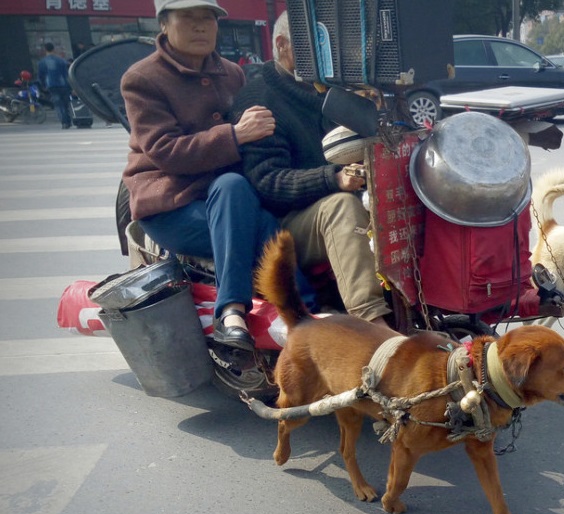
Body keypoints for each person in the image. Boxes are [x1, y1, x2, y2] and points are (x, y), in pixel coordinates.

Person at [121, 0, 282, 351]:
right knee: (252, 215)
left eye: (207, 18)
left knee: (272, 225)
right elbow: (165, 151)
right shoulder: (142, 79)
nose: (200, 27)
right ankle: (232, 311)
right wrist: (235, 135)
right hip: (171, 205)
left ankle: (313, 315)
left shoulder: (233, 73)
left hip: (229, 200)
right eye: (188, 18)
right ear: (164, 24)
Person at [231, 11, 392, 327]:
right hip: (289, 221)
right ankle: (373, 322)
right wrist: (333, 178)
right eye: (316, 46)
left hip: (337, 200)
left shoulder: (331, 89)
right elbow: (268, 181)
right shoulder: (260, 97)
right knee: (341, 207)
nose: (327, 55)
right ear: (283, 46)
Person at [36, 42, 72, 129]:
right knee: (65, 103)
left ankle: (64, 122)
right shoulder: (61, 60)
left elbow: (41, 76)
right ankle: (68, 120)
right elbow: (66, 74)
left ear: (45, 50)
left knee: (58, 104)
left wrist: (43, 85)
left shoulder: (42, 62)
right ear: (54, 49)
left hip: (51, 85)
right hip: (64, 84)